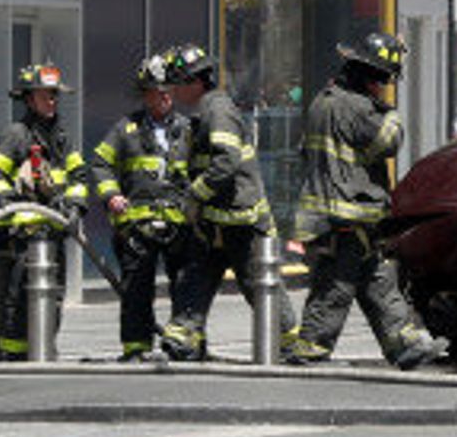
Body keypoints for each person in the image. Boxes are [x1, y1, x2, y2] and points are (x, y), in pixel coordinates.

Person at [283, 32, 442, 369]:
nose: (384, 88)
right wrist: (392, 114)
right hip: (345, 213)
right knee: (336, 284)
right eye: (384, 80)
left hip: (343, 213)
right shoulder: (357, 107)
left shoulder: (322, 101)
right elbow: (388, 141)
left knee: (378, 279)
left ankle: (404, 343)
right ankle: (311, 348)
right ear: (373, 77)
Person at [156, 43, 298, 361]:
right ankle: (184, 337)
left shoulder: (217, 110)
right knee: (195, 277)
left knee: (257, 284)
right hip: (216, 220)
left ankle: (288, 341)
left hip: (242, 221)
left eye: (176, 84)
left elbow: (226, 161)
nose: (173, 91)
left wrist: (195, 194)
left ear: (194, 82)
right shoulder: (203, 110)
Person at [90, 53, 195, 362]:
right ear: (145, 94)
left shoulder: (189, 129)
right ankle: (136, 348)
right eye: (156, 91)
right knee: (137, 290)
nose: (163, 96)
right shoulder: (126, 129)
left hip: (180, 226)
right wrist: (112, 196)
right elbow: (100, 164)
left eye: (167, 90)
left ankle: (184, 344)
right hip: (137, 228)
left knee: (186, 288)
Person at [0, 62, 89, 360]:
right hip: (24, 238)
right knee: (18, 302)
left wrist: (75, 205)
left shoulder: (61, 137)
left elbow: (79, 177)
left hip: (54, 235)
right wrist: (5, 196)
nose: (52, 101)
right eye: (45, 95)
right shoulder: (16, 134)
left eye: (54, 95)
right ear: (29, 99)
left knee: (53, 300)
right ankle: (13, 359)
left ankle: (44, 352)